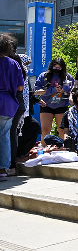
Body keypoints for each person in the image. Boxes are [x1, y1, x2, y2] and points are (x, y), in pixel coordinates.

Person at [0, 33, 24, 181]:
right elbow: (20, 87)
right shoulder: (12, 63)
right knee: (4, 136)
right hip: (7, 103)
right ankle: (3, 170)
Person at [34, 58, 74, 141]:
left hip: (62, 105)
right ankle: (45, 150)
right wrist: (53, 90)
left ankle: (63, 148)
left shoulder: (67, 76)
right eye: (55, 67)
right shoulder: (43, 76)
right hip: (46, 105)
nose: (57, 70)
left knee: (62, 130)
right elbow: (37, 91)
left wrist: (64, 89)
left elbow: (73, 89)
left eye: (59, 68)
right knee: (45, 130)